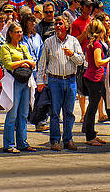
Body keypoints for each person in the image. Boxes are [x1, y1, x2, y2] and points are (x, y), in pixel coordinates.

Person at [37, 16, 84, 151]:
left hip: (70, 80)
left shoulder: (74, 41)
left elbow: (81, 60)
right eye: (56, 24)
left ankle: (68, 139)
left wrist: (72, 54)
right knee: (55, 112)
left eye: (60, 24)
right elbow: (42, 64)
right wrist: (40, 81)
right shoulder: (48, 42)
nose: (58, 26)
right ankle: (55, 140)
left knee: (69, 112)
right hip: (54, 80)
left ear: (67, 27)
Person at [0, 23, 36, 153]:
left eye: (20, 32)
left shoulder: (23, 47)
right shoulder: (5, 47)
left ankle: (22, 142)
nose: (19, 34)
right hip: (13, 82)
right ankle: (9, 144)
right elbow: (8, 64)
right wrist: (23, 62)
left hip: (26, 81)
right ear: (10, 33)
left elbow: (32, 62)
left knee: (24, 114)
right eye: (17, 32)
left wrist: (23, 63)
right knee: (12, 113)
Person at [81, 19, 109, 146]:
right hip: (95, 78)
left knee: (92, 106)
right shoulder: (96, 44)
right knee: (93, 107)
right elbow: (98, 62)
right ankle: (90, 136)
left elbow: (88, 59)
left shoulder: (89, 43)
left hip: (90, 76)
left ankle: (91, 133)